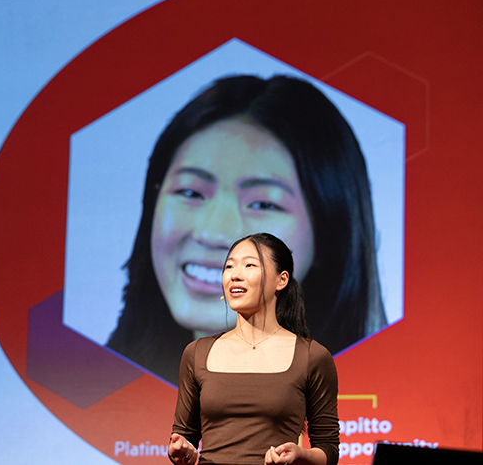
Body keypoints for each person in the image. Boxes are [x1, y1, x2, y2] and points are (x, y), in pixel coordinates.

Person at [106, 74, 386, 384]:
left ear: (330, 236)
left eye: (264, 204)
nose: (212, 234)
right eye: (191, 193)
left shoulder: (376, 407)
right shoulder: (89, 392)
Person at [168, 233, 339, 465]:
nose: (235, 275)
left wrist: (301, 456)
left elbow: (328, 449)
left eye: (249, 265)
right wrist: (183, 452)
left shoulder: (312, 357)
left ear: (282, 280)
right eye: (229, 267)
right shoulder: (197, 353)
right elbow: (185, 437)